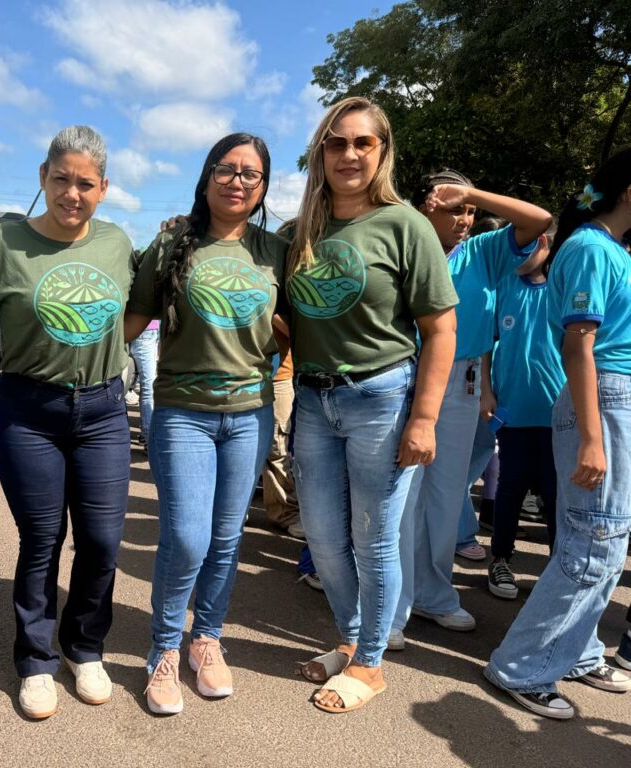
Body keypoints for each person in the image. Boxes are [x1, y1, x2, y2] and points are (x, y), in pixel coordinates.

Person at [288, 96, 458, 713]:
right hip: (312, 401)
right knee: (326, 541)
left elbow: (441, 329)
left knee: (374, 539)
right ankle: (351, 637)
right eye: (336, 142)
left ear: (382, 151)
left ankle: (371, 663)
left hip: (381, 400)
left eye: (363, 142)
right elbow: (283, 313)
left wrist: (425, 418)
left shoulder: (405, 224)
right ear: (320, 152)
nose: (349, 154)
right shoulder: (301, 227)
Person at [125, 133, 285, 715]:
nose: (237, 181)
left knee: (226, 538)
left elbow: (301, 317)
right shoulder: (171, 241)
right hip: (182, 412)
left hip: (250, 413)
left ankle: (206, 640)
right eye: (226, 169)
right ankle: (163, 649)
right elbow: (132, 319)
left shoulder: (276, 249)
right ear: (206, 176)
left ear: (263, 186)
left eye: (251, 174)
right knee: (187, 537)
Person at [0, 126, 135, 720]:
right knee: (42, 540)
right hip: (28, 411)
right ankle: (37, 659)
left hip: (101, 411)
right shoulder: (5, 242)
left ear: (104, 189)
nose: (73, 193)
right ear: (43, 177)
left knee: (101, 541)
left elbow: (140, 309)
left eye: (86, 184)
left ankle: (86, 646)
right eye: (62, 179)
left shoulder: (118, 243)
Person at [485, 147, 631, 719]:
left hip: (610, 397)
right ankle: (521, 665)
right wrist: (593, 436)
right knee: (594, 540)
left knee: (605, 540)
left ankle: (577, 648)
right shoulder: (593, 249)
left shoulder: (610, 249)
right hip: (603, 397)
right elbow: (579, 345)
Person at [394, 170, 552, 643]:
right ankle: (392, 608)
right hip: (407, 377)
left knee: (445, 494)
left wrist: (474, 193)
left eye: (470, 211)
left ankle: (433, 594)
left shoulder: (484, 250)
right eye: (454, 208)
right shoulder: (403, 243)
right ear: (425, 206)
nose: (465, 219)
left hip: (461, 382)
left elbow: (539, 220)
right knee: (403, 496)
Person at [486, 227, 564, 599]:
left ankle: (558, 569)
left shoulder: (561, 290)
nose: (516, 257)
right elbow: (488, 343)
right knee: (509, 488)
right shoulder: (504, 286)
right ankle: (500, 558)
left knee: (555, 493)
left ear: (545, 244)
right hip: (512, 412)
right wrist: (487, 390)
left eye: (525, 248)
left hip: (557, 417)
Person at [263, 319, 302, 536]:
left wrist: (271, 310)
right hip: (238, 377)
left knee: (277, 448)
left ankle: (285, 512)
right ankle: (233, 512)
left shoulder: (282, 289)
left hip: (278, 377)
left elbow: (298, 331)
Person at [128, 319, 160, 445]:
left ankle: (145, 436)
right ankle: (148, 439)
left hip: (139, 329)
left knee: (145, 387)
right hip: (146, 330)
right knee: (148, 388)